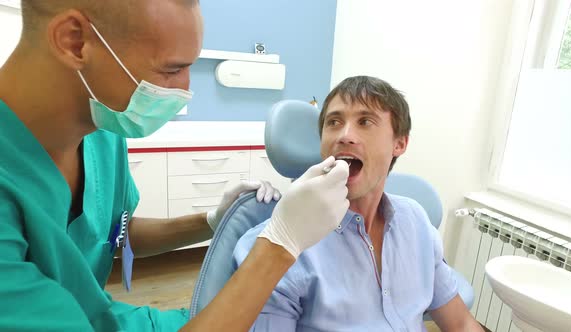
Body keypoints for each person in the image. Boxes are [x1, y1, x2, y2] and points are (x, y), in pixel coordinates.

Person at [0, 0, 350, 331]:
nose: (185, 88)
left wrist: (209, 221)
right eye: (172, 68)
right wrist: (280, 246)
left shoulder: (103, 129)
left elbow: (112, 235)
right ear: (75, 41)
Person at [233, 76, 484, 331]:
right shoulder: (280, 246)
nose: (344, 135)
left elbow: (461, 323)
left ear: (400, 143)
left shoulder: (416, 222)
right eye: (334, 122)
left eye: (365, 121)